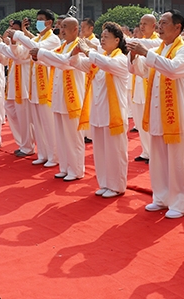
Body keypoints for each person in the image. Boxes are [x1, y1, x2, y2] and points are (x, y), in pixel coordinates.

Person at [128, 10, 184, 219]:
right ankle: (161, 197)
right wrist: (134, 56)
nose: (160, 26)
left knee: (178, 160)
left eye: (165, 23)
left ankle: (181, 202)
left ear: (178, 27)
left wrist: (146, 53)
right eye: (160, 23)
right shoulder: (160, 49)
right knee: (158, 159)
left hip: (176, 115)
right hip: (157, 113)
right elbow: (143, 71)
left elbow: (173, 69)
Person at [70, 21, 130, 197]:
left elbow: (107, 64)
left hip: (114, 114)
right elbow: (76, 64)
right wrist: (76, 53)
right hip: (98, 113)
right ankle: (105, 183)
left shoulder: (120, 59)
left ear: (117, 40)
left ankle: (117, 185)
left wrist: (88, 51)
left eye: (106, 37)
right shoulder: (99, 58)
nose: (102, 40)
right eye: (101, 36)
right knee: (101, 151)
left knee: (115, 151)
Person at [32, 17, 86, 180]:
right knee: (61, 134)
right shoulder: (63, 46)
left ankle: (76, 170)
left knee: (72, 136)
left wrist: (41, 53)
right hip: (58, 96)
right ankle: (64, 166)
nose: (61, 30)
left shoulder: (79, 46)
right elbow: (52, 61)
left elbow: (65, 62)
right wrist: (39, 58)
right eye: (60, 27)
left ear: (75, 29)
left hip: (72, 96)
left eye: (65, 27)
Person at [11, 10, 61, 167]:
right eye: (37, 20)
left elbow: (37, 48)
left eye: (41, 20)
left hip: (46, 88)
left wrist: (19, 35)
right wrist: (13, 42)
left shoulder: (52, 40)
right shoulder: (38, 38)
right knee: (38, 124)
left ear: (49, 23)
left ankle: (54, 156)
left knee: (48, 123)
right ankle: (43, 154)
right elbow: (21, 55)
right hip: (34, 88)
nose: (38, 22)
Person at [0, 20, 34, 156]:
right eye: (11, 29)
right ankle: (23, 142)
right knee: (11, 111)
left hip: (23, 86)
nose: (12, 33)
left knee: (25, 117)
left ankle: (27, 146)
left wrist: (5, 44)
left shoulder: (28, 44)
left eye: (15, 31)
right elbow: (5, 60)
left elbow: (18, 55)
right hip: (12, 85)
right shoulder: (11, 46)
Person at [128, 14, 161, 164]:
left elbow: (144, 44)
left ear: (154, 25)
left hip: (150, 89)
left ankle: (154, 152)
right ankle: (146, 151)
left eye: (145, 24)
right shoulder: (141, 43)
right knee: (140, 122)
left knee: (151, 123)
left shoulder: (157, 41)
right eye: (140, 23)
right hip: (138, 89)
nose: (142, 26)